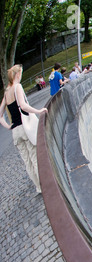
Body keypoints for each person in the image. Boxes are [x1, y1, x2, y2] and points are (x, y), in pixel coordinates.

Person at [0, 65, 48, 193]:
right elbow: (23, 106)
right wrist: (38, 111)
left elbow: (0, 115)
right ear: (17, 75)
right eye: (21, 73)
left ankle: (38, 187)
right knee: (34, 157)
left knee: (27, 162)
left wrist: (9, 126)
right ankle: (44, 186)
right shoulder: (17, 87)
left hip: (16, 132)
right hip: (25, 128)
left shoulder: (6, 92)